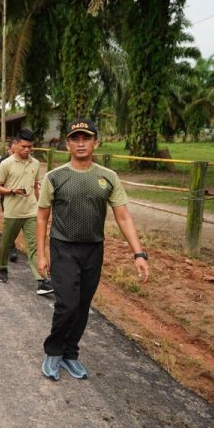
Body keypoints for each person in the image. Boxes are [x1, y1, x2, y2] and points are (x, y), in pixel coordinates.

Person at [38, 119, 150, 381]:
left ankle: (70, 354)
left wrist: (139, 254)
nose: (80, 143)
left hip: (93, 249)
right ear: (67, 144)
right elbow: (42, 216)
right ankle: (53, 351)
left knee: (83, 304)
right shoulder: (55, 177)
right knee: (67, 303)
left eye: (85, 138)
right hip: (63, 247)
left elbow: (123, 217)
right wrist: (42, 254)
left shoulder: (108, 177)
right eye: (75, 138)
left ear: (95, 142)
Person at [0, 129, 51, 295]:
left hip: (32, 211)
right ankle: (3, 267)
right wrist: (12, 191)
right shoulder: (6, 164)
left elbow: (35, 186)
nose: (27, 150)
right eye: (24, 146)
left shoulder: (35, 163)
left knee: (34, 246)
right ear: (16, 144)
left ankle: (41, 281)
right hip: (13, 212)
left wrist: (40, 206)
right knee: (6, 243)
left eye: (30, 147)